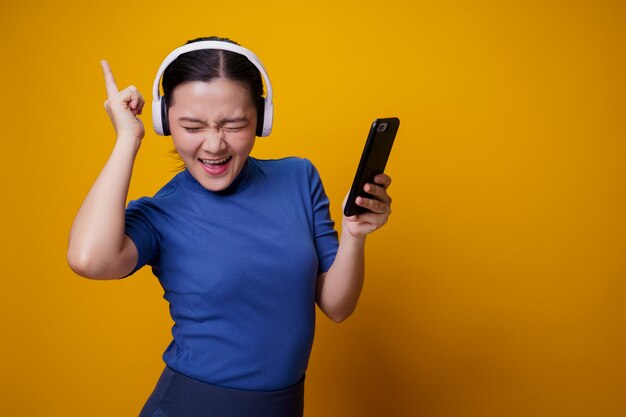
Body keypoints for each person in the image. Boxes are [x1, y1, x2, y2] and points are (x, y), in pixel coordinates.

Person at [67, 36, 393, 417]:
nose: (214, 145)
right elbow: (88, 259)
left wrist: (355, 234)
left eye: (235, 124)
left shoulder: (299, 177)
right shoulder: (162, 213)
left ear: (262, 119)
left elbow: (337, 307)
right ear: (163, 121)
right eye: (191, 126)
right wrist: (127, 138)